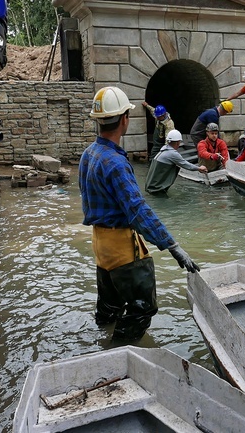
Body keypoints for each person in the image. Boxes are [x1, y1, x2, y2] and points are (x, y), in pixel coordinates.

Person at [79, 86, 200, 343]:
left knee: (109, 308)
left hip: (101, 247)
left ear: (98, 120)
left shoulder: (88, 154)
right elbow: (137, 210)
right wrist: (173, 246)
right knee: (143, 307)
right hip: (122, 249)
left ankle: (101, 341)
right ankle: (116, 352)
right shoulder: (116, 163)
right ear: (125, 119)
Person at [145, 130, 208, 194]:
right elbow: (185, 164)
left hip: (151, 186)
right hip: (156, 189)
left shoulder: (164, 149)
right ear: (178, 142)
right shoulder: (172, 153)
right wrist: (199, 168)